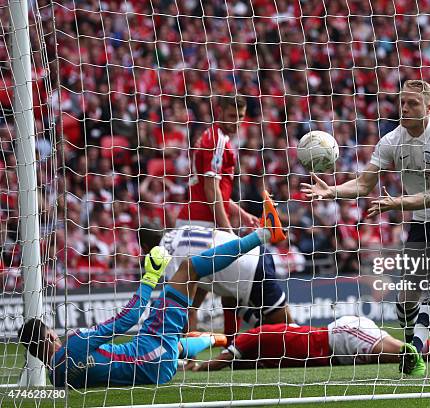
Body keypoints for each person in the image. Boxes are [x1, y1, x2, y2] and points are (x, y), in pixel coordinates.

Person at [301, 80, 430, 376]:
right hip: (425, 220)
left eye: (412, 103)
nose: (404, 108)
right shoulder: (391, 141)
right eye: (401, 102)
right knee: (406, 298)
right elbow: (364, 184)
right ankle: (411, 340)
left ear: (428, 108)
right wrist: (332, 191)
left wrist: (395, 203)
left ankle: (414, 349)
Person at [17, 194, 287, 388]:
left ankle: (219, 340)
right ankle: (263, 233)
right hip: (150, 353)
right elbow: (128, 319)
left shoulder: (58, 379)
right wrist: (149, 277)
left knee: (175, 342)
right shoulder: (74, 344)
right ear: (50, 336)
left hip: (156, 369)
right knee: (189, 269)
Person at [139, 193, 295, 343]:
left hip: (249, 272)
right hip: (256, 252)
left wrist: (188, 356)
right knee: (228, 297)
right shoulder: (180, 231)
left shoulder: (168, 258)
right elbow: (199, 280)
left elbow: (186, 310)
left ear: (145, 248)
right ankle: (233, 344)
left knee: (289, 331)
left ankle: (312, 343)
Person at [176, 94, 259, 338]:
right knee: (222, 285)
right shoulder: (217, 141)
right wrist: (227, 232)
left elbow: (217, 191)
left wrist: (241, 214)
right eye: (232, 116)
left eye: (240, 117)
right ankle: (224, 344)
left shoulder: (216, 138)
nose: (236, 122)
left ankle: (198, 348)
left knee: (198, 291)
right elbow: (211, 192)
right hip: (200, 224)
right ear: (219, 112)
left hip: (198, 221)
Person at [191, 316, 430, 372]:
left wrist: (195, 366)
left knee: (410, 354)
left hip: (342, 337)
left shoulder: (249, 337)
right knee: (418, 354)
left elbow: (223, 357)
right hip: (339, 351)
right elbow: (226, 348)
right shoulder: (251, 340)